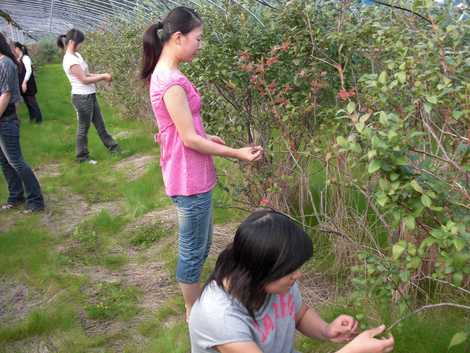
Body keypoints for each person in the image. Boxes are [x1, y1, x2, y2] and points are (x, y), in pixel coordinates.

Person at [141, 6, 263, 318]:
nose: (200, 44)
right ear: (178, 37)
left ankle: (196, 306)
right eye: (198, 38)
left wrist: (211, 137)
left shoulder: (169, 74)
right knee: (193, 250)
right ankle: (193, 312)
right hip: (187, 177)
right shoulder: (170, 81)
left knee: (202, 241)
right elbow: (189, 139)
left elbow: (187, 127)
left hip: (190, 171)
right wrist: (236, 153)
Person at [189, 210, 395, 353]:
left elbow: (298, 313)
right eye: (289, 270)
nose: (297, 275)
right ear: (260, 269)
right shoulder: (220, 318)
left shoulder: (275, 280)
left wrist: (327, 330)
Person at [57, 29, 119, 163]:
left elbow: (87, 74)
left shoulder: (77, 56)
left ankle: (113, 148)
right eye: (80, 43)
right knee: (83, 128)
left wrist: (103, 75)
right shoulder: (69, 60)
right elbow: (84, 80)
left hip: (90, 95)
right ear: (72, 42)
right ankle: (82, 157)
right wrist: (103, 77)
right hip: (81, 98)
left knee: (100, 125)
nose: (81, 45)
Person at [0, 32, 44, 212]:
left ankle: (36, 201)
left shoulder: (6, 64)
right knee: (5, 162)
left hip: (5, 120)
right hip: (4, 119)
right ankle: (16, 196)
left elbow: (6, 94)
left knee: (16, 160)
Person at [13, 42, 43, 124]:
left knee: (32, 101)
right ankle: (32, 117)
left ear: (18, 48)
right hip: (22, 83)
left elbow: (29, 70)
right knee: (27, 102)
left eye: (14, 48)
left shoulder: (25, 58)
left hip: (28, 84)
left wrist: (24, 83)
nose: (14, 50)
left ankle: (39, 119)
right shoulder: (20, 58)